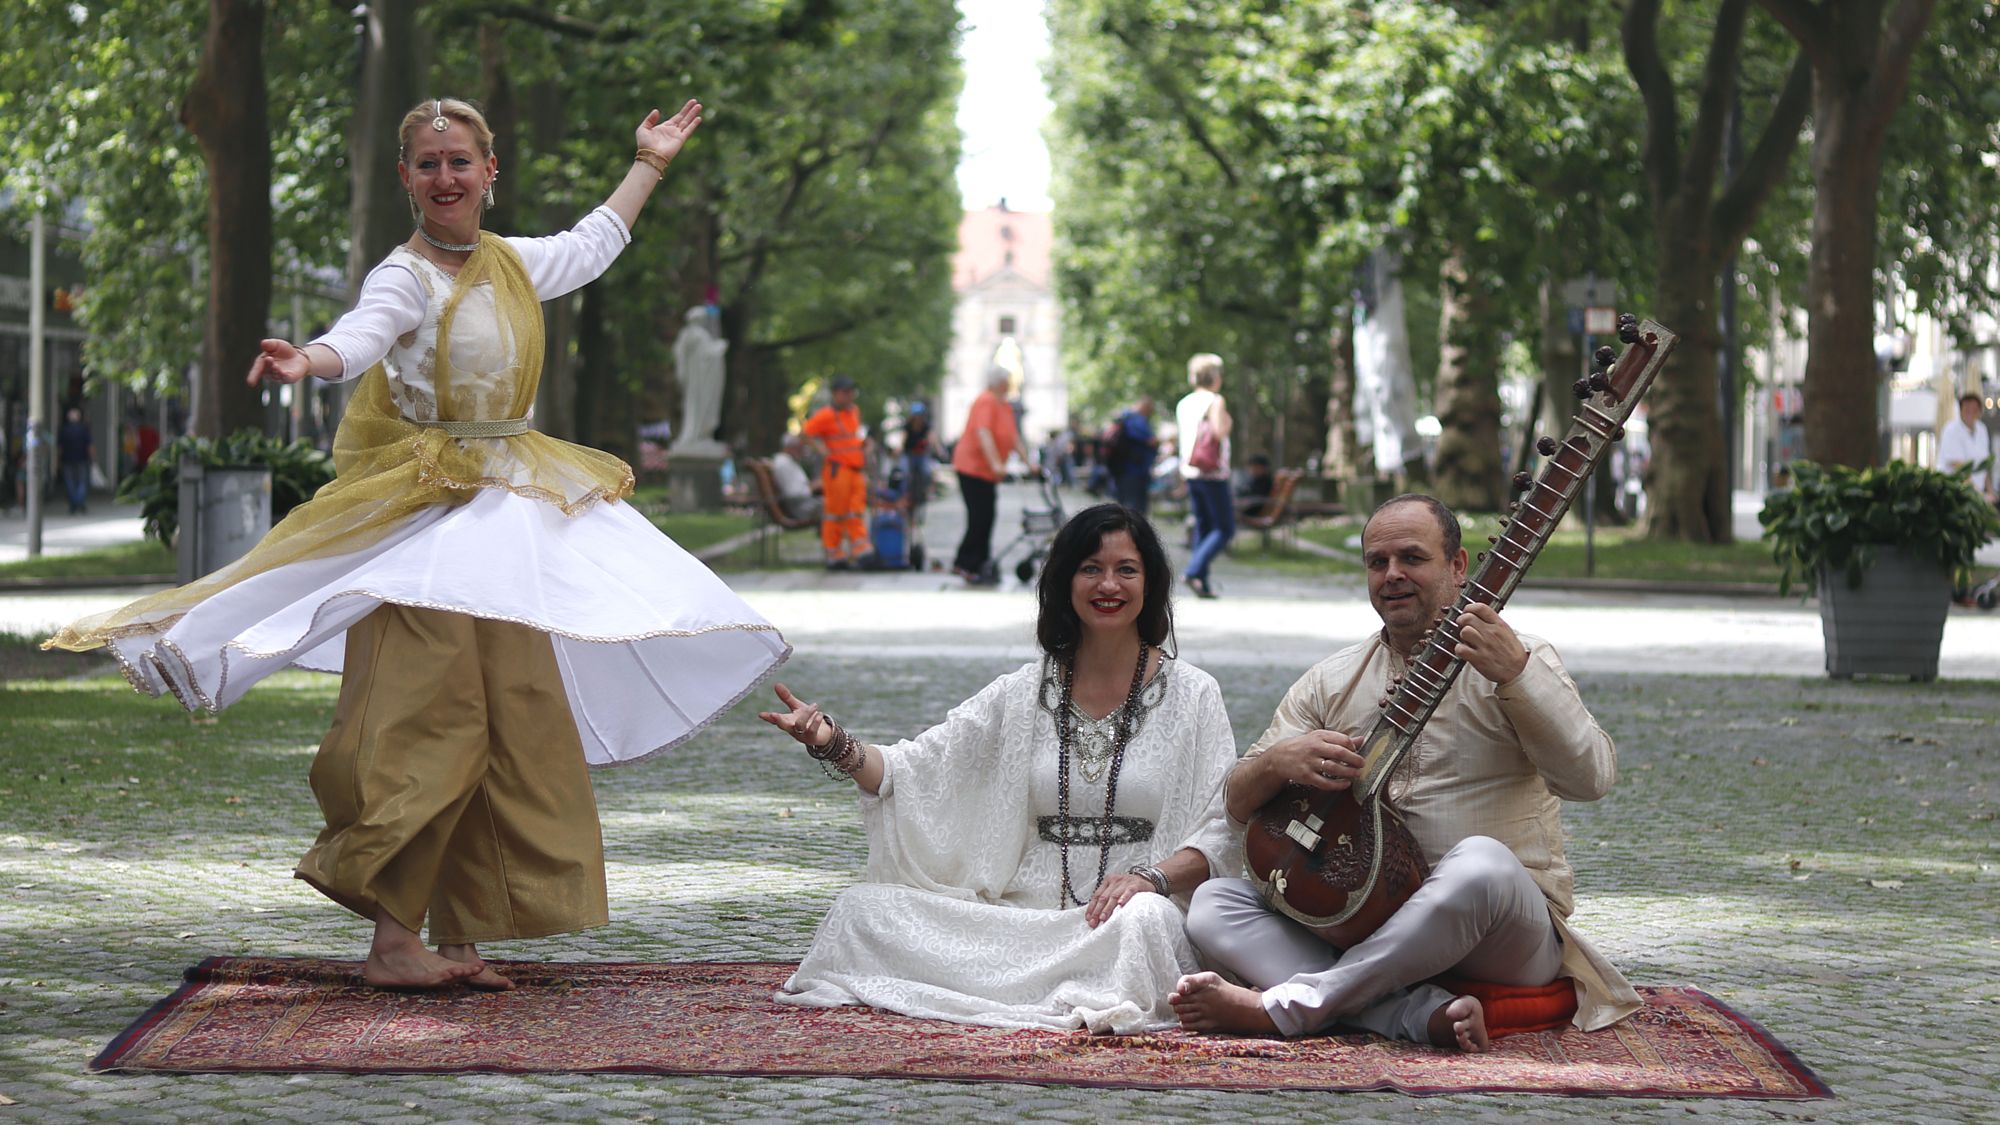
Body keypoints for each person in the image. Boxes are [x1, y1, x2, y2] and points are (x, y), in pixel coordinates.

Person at [44, 96, 791, 992]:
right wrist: (310, 358)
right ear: (405, 177)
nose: (445, 177)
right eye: (428, 164)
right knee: (432, 722)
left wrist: (650, 163)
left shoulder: (513, 263)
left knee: (512, 717)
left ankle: (463, 932)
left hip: (507, 524)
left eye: (460, 161)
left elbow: (593, 243)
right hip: (429, 528)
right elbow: (362, 336)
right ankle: (394, 941)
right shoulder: (404, 277)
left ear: (488, 172)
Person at [1170, 494, 1639, 1050]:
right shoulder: (1332, 680)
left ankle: (1290, 1008)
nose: (1392, 574)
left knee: (1481, 863)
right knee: (1214, 904)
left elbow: (1591, 778)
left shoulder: (1520, 657)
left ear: (1458, 566)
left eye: (1412, 558)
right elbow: (1234, 804)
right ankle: (1417, 1016)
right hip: (1361, 916)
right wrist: (1277, 763)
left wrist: (1516, 675)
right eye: (1377, 562)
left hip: (1498, 929)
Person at [758, 504, 1240, 1032]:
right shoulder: (1021, 692)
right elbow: (914, 769)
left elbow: (1221, 830)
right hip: (1020, 920)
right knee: (861, 910)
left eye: (1126, 569)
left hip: (1126, 917)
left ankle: (1054, 983)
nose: (1108, 585)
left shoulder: (1195, 694)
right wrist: (831, 741)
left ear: (1150, 583)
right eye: (1090, 569)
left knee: (1146, 925)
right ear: (1065, 582)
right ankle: (1049, 987)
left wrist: (1151, 879)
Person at [950, 366, 1018, 584]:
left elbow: (1013, 438)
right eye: (1006, 381)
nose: (1009, 385)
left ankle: (979, 563)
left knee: (987, 517)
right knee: (979, 517)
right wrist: (996, 463)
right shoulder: (986, 401)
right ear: (998, 383)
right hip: (972, 468)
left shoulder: (1004, 406)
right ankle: (966, 563)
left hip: (987, 473)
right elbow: (983, 433)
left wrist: (1030, 464)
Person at [1176, 354, 1234, 598]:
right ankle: (1193, 571)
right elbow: (1219, 432)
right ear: (1215, 377)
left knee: (1203, 526)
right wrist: (1228, 422)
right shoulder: (1215, 400)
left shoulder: (1184, 403)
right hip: (1213, 473)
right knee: (1224, 528)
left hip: (1191, 471)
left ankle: (1202, 582)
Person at [801, 375, 873, 569]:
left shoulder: (854, 412)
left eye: (851, 392)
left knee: (856, 510)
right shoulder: (825, 415)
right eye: (845, 392)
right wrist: (821, 449)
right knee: (835, 512)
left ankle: (860, 550)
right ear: (835, 394)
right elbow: (805, 434)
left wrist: (864, 445)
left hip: (855, 469)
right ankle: (834, 554)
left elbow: (852, 437)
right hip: (837, 470)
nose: (849, 396)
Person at [670, 306, 729, 457]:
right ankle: (697, 435)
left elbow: (680, 354)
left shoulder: (687, 334)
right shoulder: (698, 335)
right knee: (699, 407)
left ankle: (699, 436)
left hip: (696, 380)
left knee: (695, 407)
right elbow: (707, 355)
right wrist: (719, 348)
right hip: (699, 381)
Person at [1938, 391, 1994, 503]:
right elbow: (1958, 467)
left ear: (1980, 411)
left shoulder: (1982, 429)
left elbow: (1984, 465)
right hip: (1954, 493)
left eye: (1974, 409)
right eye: (1967, 409)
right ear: (1960, 410)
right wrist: (1979, 495)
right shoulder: (1951, 430)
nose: (1970, 412)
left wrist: (1990, 492)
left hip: (1977, 495)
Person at [1107, 397, 1159, 516]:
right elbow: (1149, 440)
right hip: (1134, 469)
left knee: (1126, 504)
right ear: (1145, 408)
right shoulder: (1136, 420)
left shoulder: (1125, 418)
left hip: (1124, 468)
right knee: (1134, 508)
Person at [769, 433, 820, 523]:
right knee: (838, 503)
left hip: (804, 505)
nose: (802, 451)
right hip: (802, 508)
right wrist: (813, 487)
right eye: (800, 447)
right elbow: (792, 494)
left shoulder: (787, 461)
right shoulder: (784, 464)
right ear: (790, 447)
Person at [55, 406, 94, 514]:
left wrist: (57, 461)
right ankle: (79, 502)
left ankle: (74, 503)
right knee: (82, 482)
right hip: (82, 459)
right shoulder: (84, 429)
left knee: (70, 483)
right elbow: (89, 446)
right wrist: (92, 458)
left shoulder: (64, 430)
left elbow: (60, 448)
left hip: (67, 459)